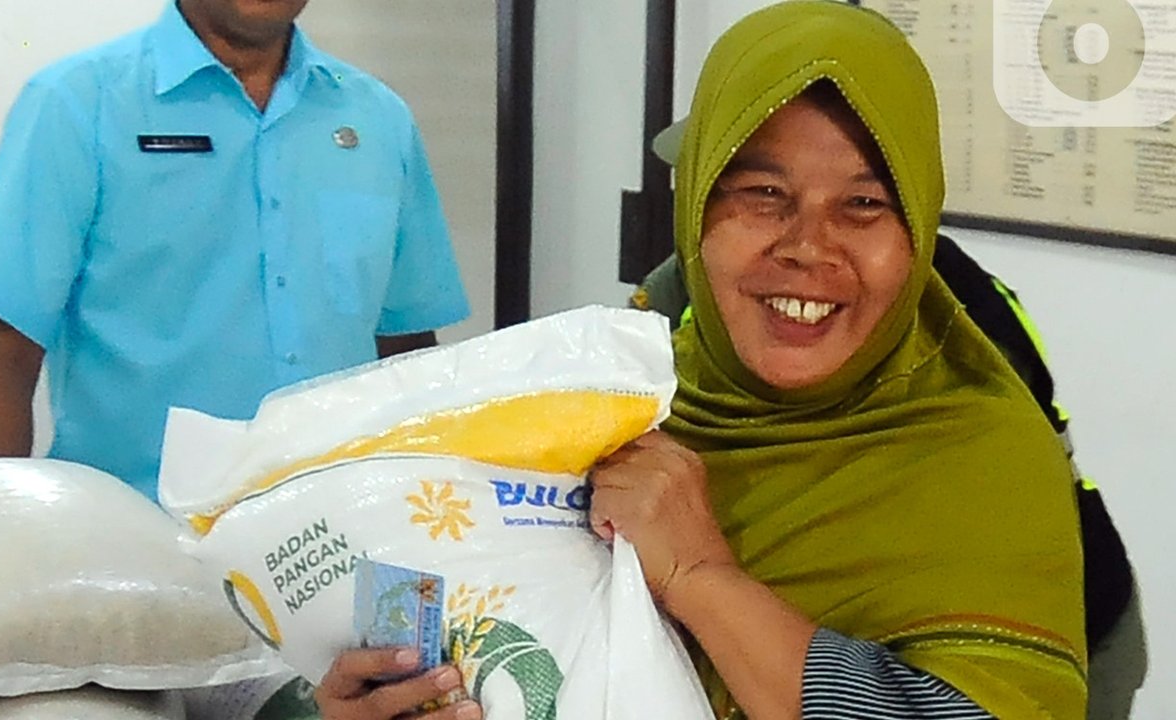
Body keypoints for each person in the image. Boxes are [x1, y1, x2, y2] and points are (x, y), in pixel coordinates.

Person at [314, 2, 1086, 719]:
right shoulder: (603, 409)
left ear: (917, 230)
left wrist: (701, 580)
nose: (807, 246)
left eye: (864, 204)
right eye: (762, 192)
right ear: (693, 216)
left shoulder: (984, 460)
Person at [0, 0, 470, 500]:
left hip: (335, 541)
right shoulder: (80, 103)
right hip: (139, 543)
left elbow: (407, 352)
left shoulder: (377, 119)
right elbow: (3, 353)